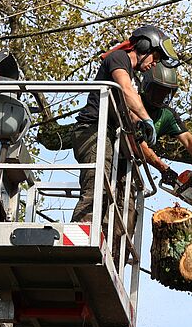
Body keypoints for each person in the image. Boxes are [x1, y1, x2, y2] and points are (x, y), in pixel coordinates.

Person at [70, 25, 173, 224]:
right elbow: (125, 90)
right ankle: (79, 234)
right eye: (155, 57)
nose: (154, 64)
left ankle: (102, 241)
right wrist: (146, 118)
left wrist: (139, 125)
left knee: (114, 196)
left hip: (108, 135)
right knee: (97, 186)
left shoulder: (133, 78)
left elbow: (126, 107)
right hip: (93, 130)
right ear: (144, 46)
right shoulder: (119, 59)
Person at [137, 59, 192, 185]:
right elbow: (138, 144)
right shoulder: (133, 107)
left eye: (165, 93)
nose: (161, 97)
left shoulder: (167, 114)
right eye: (158, 92)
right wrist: (164, 168)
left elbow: (189, 141)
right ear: (146, 86)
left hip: (131, 166)